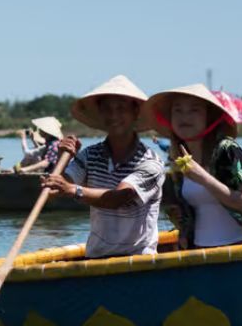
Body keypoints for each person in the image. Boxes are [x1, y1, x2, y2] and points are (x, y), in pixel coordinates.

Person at [41, 75, 165, 258]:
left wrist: (72, 190)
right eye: (107, 109)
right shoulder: (90, 156)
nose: (114, 116)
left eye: (121, 108)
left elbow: (119, 198)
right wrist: (62, 159)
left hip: (138, 260)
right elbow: (51, 193)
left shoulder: (151, 162)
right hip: (97, 256)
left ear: (135, 113)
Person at [148, 84, 242, 250]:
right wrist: (183, 230)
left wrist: (203, 178)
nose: (185, 116)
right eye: (178, 110)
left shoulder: (227, 150)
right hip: (199, 251)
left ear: (209, 117)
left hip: (241, 248)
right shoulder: (179, 156)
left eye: (194, 110)